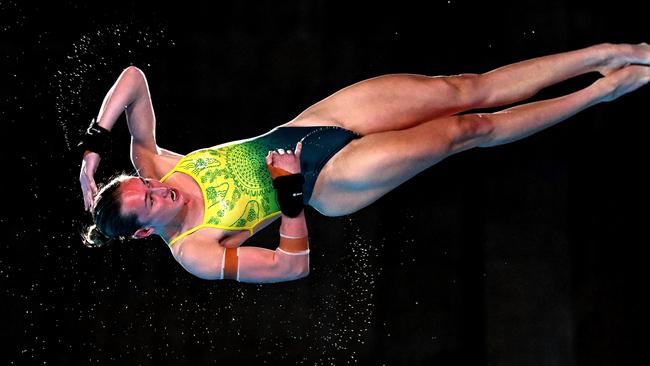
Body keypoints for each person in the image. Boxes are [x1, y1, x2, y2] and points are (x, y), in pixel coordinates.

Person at [79, 42, 650, 283]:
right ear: (142, 233)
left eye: (145, 188)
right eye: (150, 205)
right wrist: (289, 195)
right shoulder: (196, 252)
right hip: (328, 181)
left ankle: (612, 52)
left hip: (310, 123)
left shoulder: (153, 164)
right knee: (465, 131)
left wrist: (93, 146)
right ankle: (601, 92)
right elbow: (290, 267)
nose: (161, 194)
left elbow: (132, 80)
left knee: (463, 89)